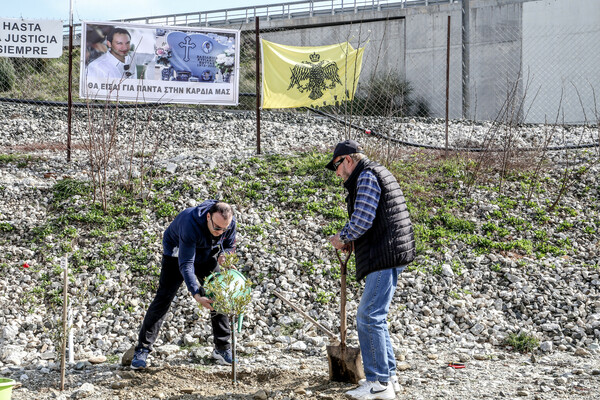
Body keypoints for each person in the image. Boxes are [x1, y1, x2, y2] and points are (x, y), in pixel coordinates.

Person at [326, 139, 415, 400]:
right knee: (376, 316)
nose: (337, 173)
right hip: (388, 252)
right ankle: (390, 379)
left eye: (337, 166)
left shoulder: (366, 176)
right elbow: (372, 217)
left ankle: (379, 384)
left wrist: (344, 237)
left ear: (349, 160)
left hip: (384, 254)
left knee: (368, 315)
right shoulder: (373, 172)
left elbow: (363, 218)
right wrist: (352, 240)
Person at [131, 200, 237, 369]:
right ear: (208, 217)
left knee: (219, 293)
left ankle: (222, 349)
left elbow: (229, 244)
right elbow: (186, 264)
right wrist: (196, 293)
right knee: (164, 298)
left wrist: (225, 255)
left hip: (206, 253)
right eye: (217, 228)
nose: (221, 232)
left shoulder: (226, 222)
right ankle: (142, 349)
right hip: (177, 253)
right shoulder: (190, 223)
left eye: (225, 228)